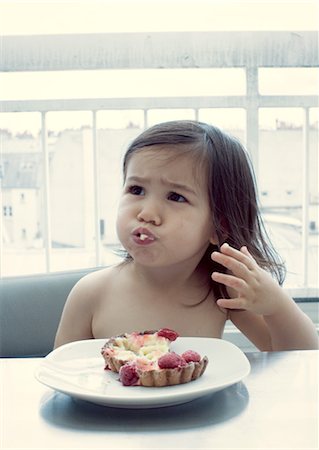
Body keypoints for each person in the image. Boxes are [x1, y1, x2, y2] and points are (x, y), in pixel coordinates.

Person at [54, 120, 318, 351]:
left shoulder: (222, 291)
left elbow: (300, 355)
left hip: (201, 410)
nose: (147, 213)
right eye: (136, 190)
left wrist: (277, 305)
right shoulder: (91, 293)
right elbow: (62, 375)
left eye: (175, 196)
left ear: (219, 227)